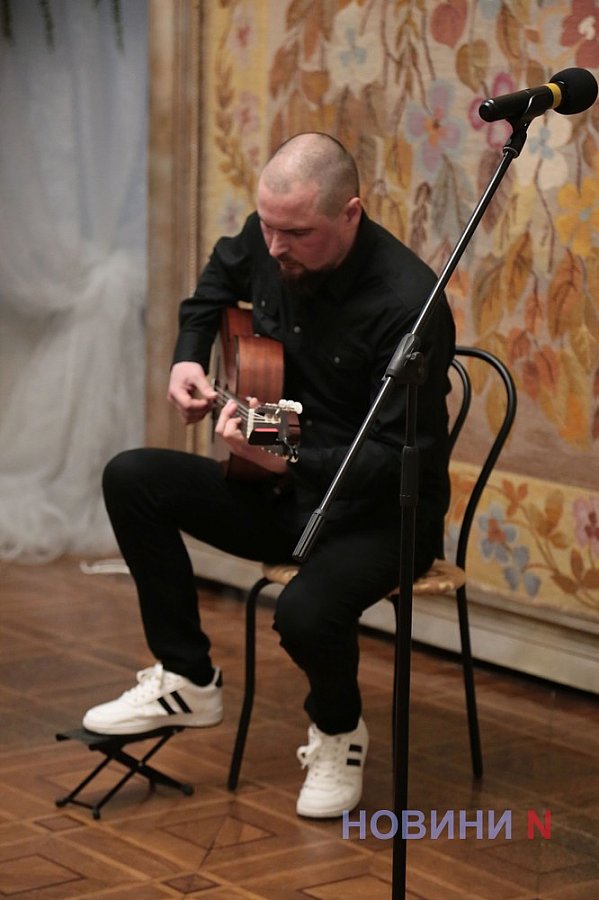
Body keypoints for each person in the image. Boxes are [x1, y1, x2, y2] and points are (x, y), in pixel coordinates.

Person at [83, 132, 456, 818]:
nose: (276, 247)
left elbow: (388, 459)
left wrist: (275, 444)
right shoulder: (269, 240)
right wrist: (188, 356)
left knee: (304, 612)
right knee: (132, 476)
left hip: (379, 517)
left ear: (350, 213)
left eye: (298, 233)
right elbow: (212, 286)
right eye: (267, 225)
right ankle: (188, 679)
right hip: (281, 492)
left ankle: (339, 734)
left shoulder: (408, 305)